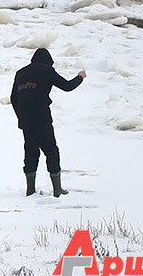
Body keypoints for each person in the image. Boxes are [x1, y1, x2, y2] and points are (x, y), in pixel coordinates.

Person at [10, 48, 86, 197]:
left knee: (31, 152)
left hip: (26, 120)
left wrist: (21, 115)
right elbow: (67, 86)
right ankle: (57, 189)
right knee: (51, 151)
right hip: (41, 117)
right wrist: (80, 77)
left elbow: (13, 98)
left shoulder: (21, 73)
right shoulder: (47, 71)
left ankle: (30, 190)